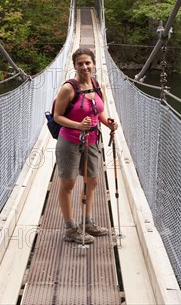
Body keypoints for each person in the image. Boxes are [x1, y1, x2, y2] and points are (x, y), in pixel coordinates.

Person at [53, 47, 119, 244]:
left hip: (92, 141)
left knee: (93, 181)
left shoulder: (98, 86)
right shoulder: (68, 88)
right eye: (80, 63)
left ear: (94, 64)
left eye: (87, 63)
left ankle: (87, 222)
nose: (84, 67)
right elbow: (57, 117)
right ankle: (70, 228)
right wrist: (79, 125)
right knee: (69, 184)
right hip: (70, 141)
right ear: (74, 66)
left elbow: (98, 111)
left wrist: (108, 123)